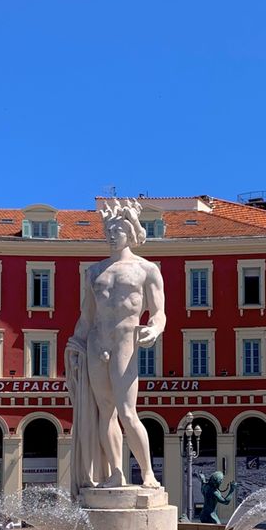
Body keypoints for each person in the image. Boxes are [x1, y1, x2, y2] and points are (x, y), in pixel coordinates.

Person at [65, 199, 166, 492]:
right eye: (109, 229)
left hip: (125, 340)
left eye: (118, 229)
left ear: (131, 232)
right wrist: (74, 347)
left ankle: (147, 473)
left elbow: (159, 311)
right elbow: (86, 316)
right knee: (104, 410)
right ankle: (116, 473)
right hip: (96, 343)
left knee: (126, 410)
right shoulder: (95, 272)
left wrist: (155, 328)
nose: (111, 234)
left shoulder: (147, 270)